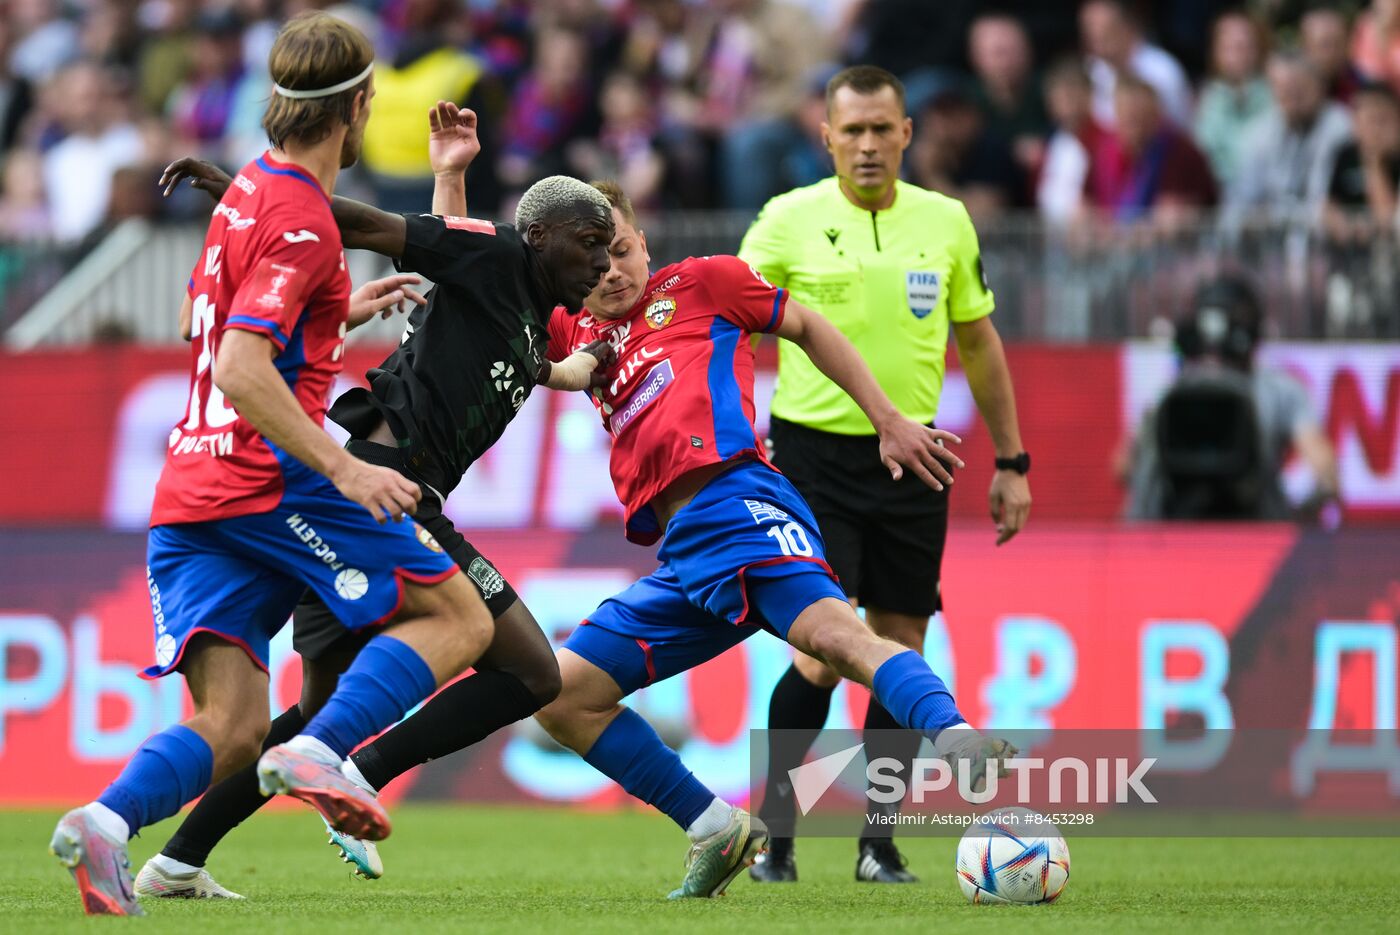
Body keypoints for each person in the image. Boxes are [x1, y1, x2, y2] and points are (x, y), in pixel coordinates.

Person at [48, 13, 506, 917]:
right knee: (459, 615)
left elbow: (204, 326)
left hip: (191, 482)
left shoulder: (248, 192)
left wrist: (330, 312)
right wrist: (344, 467)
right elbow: (239, 363)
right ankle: (326, 748)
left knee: (231, 725)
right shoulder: (302, 222)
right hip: (269, 479)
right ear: (360, 106)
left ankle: (105, 823)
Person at [133, 102, 615, 899]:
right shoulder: (497, 256)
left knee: (311, 715)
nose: (601, 261)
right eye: (590, 242)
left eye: (611, 247)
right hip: (375, 491)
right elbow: (364, 221)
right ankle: (352, 767)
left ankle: (177, 859)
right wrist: (245, 191)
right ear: (539, 235)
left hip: (400, 499)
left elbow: (549, 363)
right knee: (529, 671)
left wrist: (598, 353)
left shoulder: (533, 320)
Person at [531, 179, 1017, 900]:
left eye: (622, 250)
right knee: (564, 695)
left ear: (643, 241)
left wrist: (886, 416)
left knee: (840, 641)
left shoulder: (702, 282)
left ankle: (957, 740)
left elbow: (811, 328)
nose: (613, 272)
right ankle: (714, 825)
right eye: (594, 264)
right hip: (684, 556)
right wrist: (450, 178)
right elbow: (468, 272)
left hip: (741, 506)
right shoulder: (572, 331)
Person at [735, 64, 1031, 885]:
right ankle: (777, 837)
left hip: (917, 460)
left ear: (908, 134)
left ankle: (877, 843)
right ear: (825, 135)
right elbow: (732, 324)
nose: (867, 145)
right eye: (851, 130)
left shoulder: (947, 221)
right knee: (825, 654)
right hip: (812, 459)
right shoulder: (787, 220)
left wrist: (1011, 461)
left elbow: (979, 343)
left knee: (903, 644)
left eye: (881, 129)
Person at [1123, 274, 1340, 521]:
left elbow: (1124, 466)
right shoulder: (1281, 391)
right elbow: (1326, 476)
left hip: (1176, 538)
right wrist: (1298, 521)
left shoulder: (1171, 391)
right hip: (1258, 540)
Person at [1227, 51, 1353, 227]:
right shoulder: (1259, 132)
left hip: (1326, 241)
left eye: (1300, 87)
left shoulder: (1343, 128)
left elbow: (1323, 198)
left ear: (1320, 86)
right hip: (1269, 243)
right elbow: (1240, 202)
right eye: (1284, 89)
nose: (1292, 97)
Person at [1088, 76, 1218, 225]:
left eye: (1139, 117)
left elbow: (1173, 215)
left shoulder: (1180, 152)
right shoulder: (1104, 152)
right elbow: (1086, 204)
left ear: (1156, 115)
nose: (1133, 125)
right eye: (1126, 116)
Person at [1080, 0, 1193, 131]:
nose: (1097, 37)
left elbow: (1180, 128)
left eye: (1105, 30)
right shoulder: (1092, 72)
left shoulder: (1162, 70)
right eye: (1090, 31)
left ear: (1127, 26)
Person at [1193, 9, 1273, 190]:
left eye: (1245, 47)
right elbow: (1204, 151)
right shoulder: (1207, 98)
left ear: (1259, 49)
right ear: (1216, 52)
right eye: (1229, 48)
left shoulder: (1277, 94)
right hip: (1217, 196)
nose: (1238, 56)